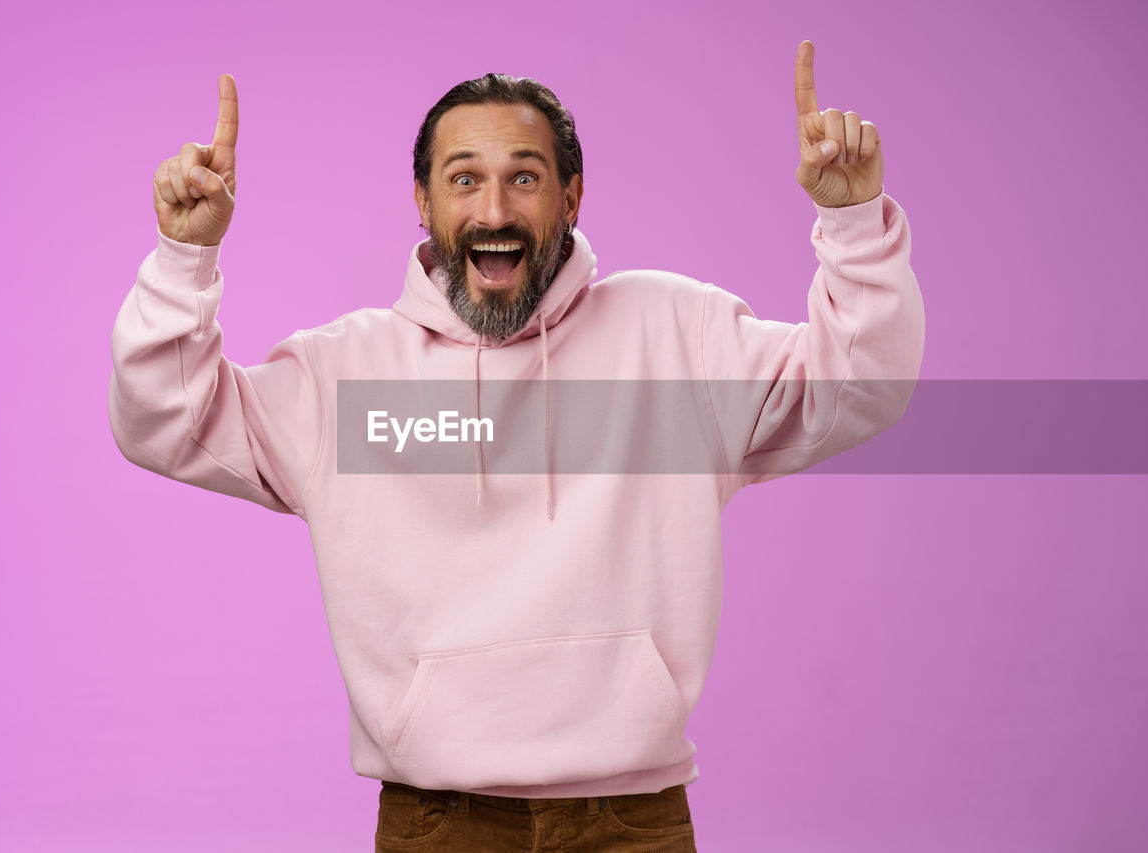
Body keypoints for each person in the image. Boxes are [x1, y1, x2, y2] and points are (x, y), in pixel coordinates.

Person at [109, 41, 924, 852]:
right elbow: (167, 421)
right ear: (423, 202)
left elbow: (860, 386)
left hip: (632, 820)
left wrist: (852, 222)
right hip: (440, 822)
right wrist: (186, 258)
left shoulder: (677, 339)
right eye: (464, 178)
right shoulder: (341, 378)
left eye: (524, 177)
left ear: (571, 198)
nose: (494, 210)